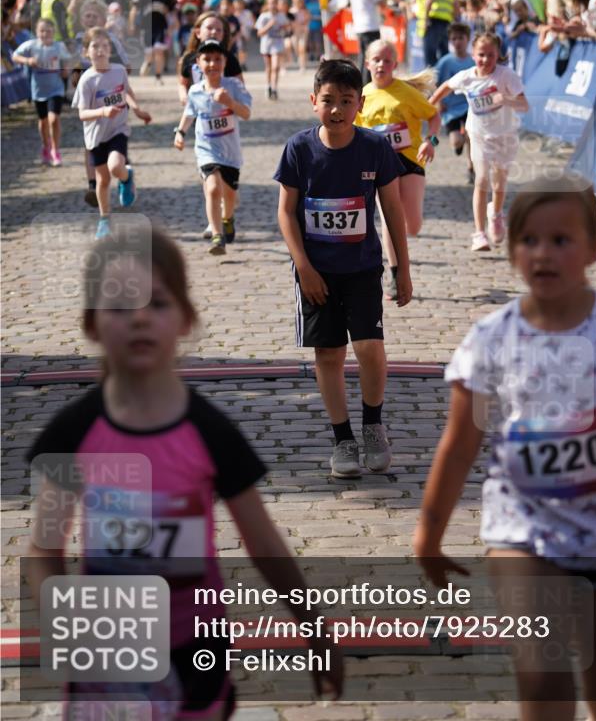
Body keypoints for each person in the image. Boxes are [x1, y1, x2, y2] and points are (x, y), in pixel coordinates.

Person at [26, 226, 343, 720]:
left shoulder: (210, 433)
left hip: (196, 656)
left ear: (185, 318)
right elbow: (45, 549)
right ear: (91, 324)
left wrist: (313, 626)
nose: (138, 321)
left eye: (156, 303)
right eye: (118, 306)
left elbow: (264, 544)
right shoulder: (74, 433)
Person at [414, 175, 596, 721]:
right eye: (528, 239)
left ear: (595, 248)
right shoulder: (490, 340)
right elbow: (460, 446)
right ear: (510, 250)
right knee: (545, 683)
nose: (543, 254)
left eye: (561, 240)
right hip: (522, 536)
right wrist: (429, 532)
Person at [274, 60, 412, 479]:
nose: (336, 110)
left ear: (360, 105)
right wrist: (304, 267)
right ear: (313, 101)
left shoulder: (375, 149)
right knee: (330, 353)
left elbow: (393, 211)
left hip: (362, 268)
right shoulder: (299, 149)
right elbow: (286, 212)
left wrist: (401, 267)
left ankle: (373, 426)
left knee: (369, 347)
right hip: (316, 272)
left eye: (346, 102)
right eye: (328, 101)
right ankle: (343, 439)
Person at [356, 39, 440, 301]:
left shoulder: (406, 92)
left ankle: (401, 242)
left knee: (412, 225)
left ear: (395, 64)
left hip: (410, 161)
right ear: (367, 63)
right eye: (376, 60)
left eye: (387, 60)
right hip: (380, 166)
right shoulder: (362, 96)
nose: (381, 64)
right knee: (390, 222)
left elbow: (433, 116)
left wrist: (431, 140)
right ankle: (396, 274)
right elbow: (354, 129)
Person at [429, 32, 528, 252]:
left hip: (505, 135)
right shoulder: (467, 76)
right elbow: (446, 86)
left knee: (499, 184)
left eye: (491, 55)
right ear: (473, 55)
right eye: (481, 55)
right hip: (479, 136)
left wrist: (506, 99)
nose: (485, 60)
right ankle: (479, 234)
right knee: (481, 179)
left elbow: (524, 105)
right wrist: (430, 105)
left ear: (498, 55)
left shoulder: (506, 76)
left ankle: (496, 214)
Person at [73, 27, 151, 239]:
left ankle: (126, 178)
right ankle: (104, 220)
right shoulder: (87, 80)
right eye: (95, 46)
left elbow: (126, 92)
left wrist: (136, 109)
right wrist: (102, 111)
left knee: (115, 166)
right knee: (103, 180)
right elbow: (82, 114)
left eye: (105, 46)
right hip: (96, 136)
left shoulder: (119, 71)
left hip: (118, 129)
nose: (100, 50)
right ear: (86, 52)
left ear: (111, 50)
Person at [174, 40, 252, 254]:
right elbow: (190, 113)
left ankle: (228, 218)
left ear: (225, 61)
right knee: (212, 187)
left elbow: (246, 113)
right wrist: (180, 132)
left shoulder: (233, 87)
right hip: (206, 149)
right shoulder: (195, 91)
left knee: (229, 194)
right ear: (198, 63)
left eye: (217, 59)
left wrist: (230, 103)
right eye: (207, 59)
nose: (212, 64)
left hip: (231, 152)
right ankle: (217, 235)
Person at [11, 18, 69, 165]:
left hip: (56, 88)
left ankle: (56, 151)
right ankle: (46, 147)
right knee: (43, 121)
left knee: (54, 119)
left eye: (48, 31)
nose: (45, 34)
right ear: (36, 32)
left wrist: (65, 71)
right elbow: (14, 56)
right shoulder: (31, 45)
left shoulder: (58, 46)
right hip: (38, 90)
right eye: (42, 31)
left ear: (53, 32)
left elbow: (67, 61)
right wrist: (28, 61)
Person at [432, 22, 475, 184]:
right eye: (454, 39)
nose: (457, 42)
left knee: (473, 137)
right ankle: (459, 143)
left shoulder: (473, 60)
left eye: (461, 38)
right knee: (457, 141)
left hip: (471, 106)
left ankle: (472, 167)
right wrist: (439, 101)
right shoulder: (445, 62)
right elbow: (435, 82)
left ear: (468, 39)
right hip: (451, 108)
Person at [178, 12, 244, 107]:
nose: (214, 32)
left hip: (223, 115)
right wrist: (183, 96)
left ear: (223, 35)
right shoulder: (188, 58)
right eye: (209, 28)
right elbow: (182, 84)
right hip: (197, 114)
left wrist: (229, 99)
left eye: (219, 30)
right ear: (198, 33)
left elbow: (240, 87)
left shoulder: (230, 58)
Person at [139, 0, 176, 82]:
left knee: (159, 51)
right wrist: (132, 25)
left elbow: (172, 13)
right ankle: (147, 66)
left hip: (161, 27)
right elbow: (136, 11)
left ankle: (158, 76)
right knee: (149, 54)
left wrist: (172, 27)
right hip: (147, 27)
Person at [419, 0, 458, 67]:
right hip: (446, 22)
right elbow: (456, 5)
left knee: (430, 57)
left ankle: (432, 84)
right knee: (444, 56)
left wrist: (426, 20)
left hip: (433, 21)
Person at [349, 0, 383, 83]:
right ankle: (368, 85)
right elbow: (380, 2)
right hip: (370, 26)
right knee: (372, 58)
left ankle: (362, 85)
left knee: (363, 58)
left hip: (359, 26)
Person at [255, 0, 288, 100]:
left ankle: (274, 88)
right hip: (266, 45)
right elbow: (259, 33)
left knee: (275, 67)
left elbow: (287, 29)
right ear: (267, 5)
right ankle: (268, 86)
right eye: (270, 3)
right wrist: (269, 25)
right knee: (268, 68)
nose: (272, 5)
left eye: (274, 3)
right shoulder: (264, 16)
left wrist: (285, 28)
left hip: (277, 44)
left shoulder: (281, 16)